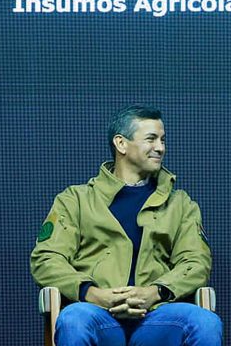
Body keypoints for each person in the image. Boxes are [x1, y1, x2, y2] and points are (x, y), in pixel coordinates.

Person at [30, 105, 221, 346]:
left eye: (163, 140)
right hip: (95, 313)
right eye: (151, 139)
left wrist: (153, 293)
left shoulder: (180, 204)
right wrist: (93, 294)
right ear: (121, 144)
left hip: (155, 316)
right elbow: (46, 259)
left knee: (205, 322)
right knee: (74, 319)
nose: (160, 147)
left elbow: (196, 262)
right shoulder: (74, 200)